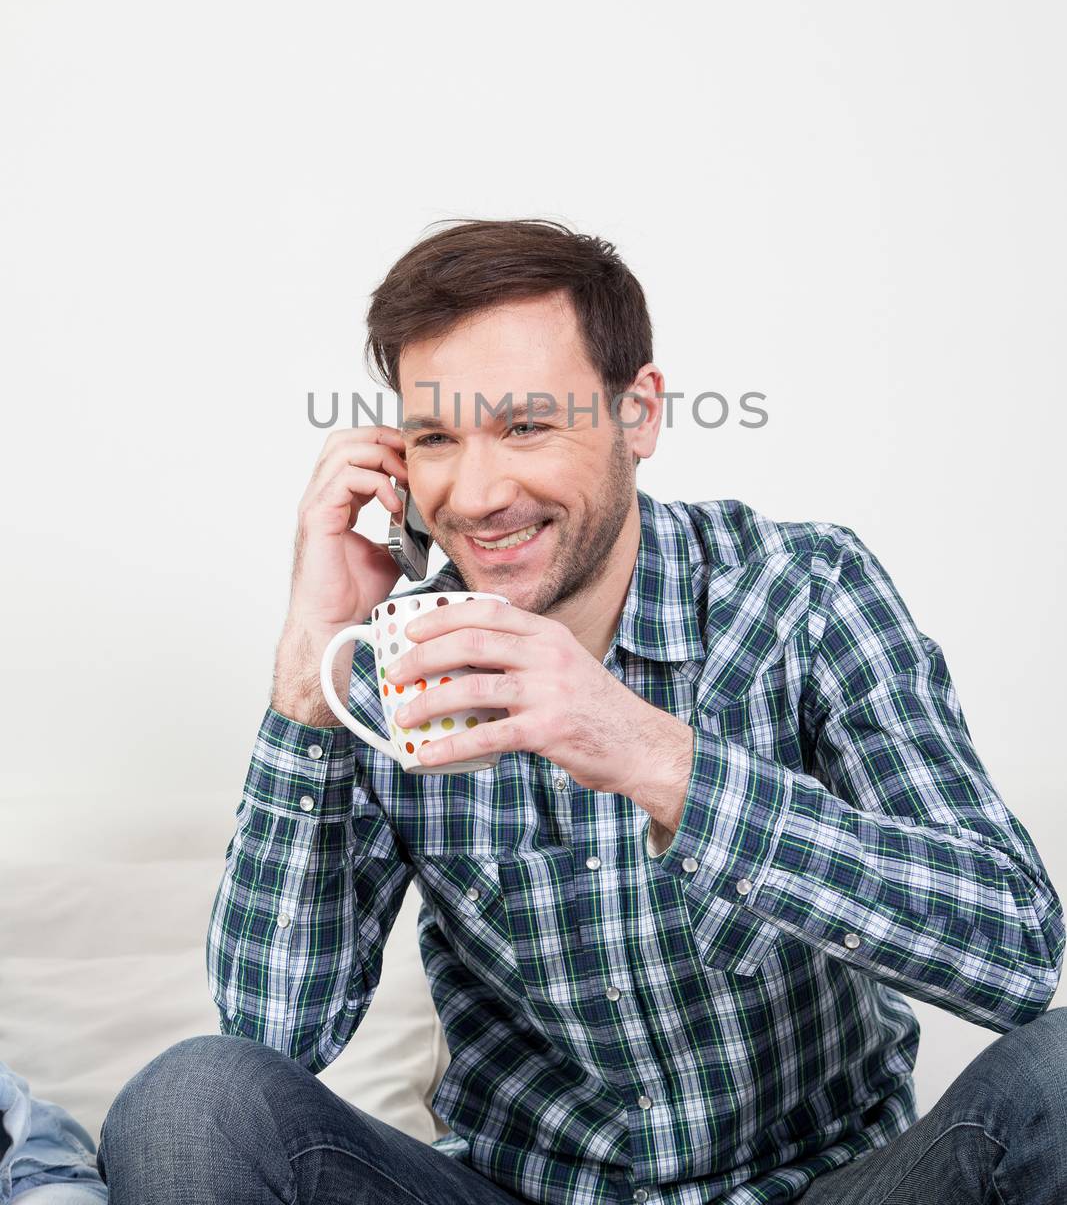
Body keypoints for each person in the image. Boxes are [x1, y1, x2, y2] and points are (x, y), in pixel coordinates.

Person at [97, 218, 1066, 1205]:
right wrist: (309, 673)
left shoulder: (801, 592)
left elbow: (1016, 952)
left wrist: (649, 753)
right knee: (191, 1099)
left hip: (822, 1190)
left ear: (636, 414)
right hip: (523, 1195)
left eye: (524, 425)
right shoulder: (396, 661)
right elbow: (270, 1035)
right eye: (435, 437)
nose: (475, 494)